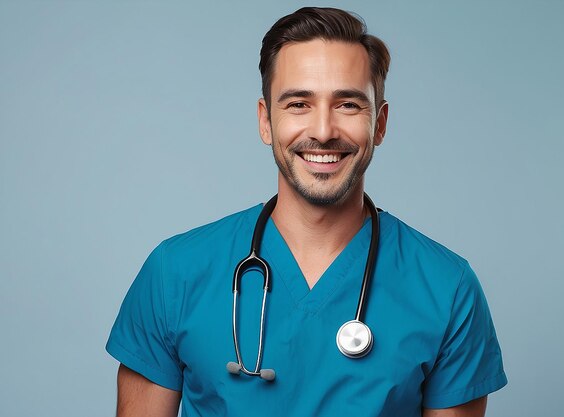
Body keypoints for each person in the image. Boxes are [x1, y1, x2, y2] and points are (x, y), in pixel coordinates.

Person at [106, 7, 507, 417]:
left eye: (348, 105)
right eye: (298, 103)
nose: (323, 130)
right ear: (266, 121)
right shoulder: (174, 273)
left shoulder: (447, 288)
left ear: (380, 124)